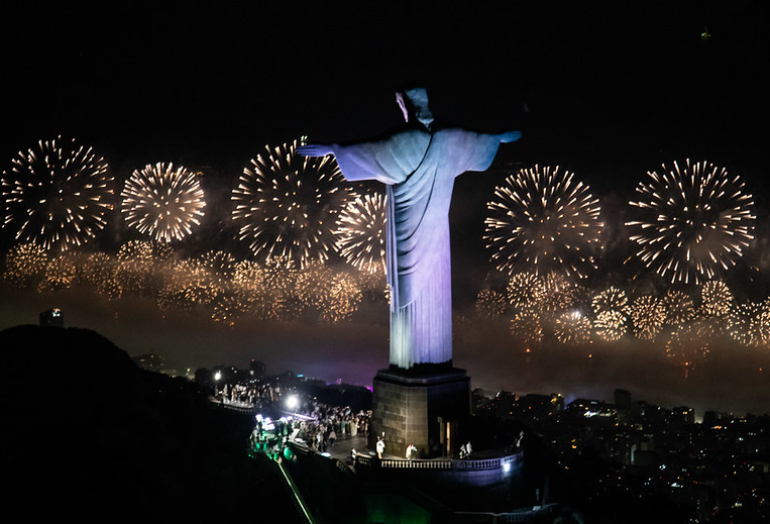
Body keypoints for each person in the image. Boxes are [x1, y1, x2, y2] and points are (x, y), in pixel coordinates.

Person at [298, 86, 520, 369]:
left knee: (408, 296)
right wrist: (497, 138)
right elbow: (476, 141)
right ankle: (429, 363)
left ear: (405, 107)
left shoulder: (403, 140)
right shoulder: (450, 139)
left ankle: (413, 365)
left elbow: (368, 151)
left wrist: (332, 149)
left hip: (408, 234)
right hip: (438, 236)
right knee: (426, 294)